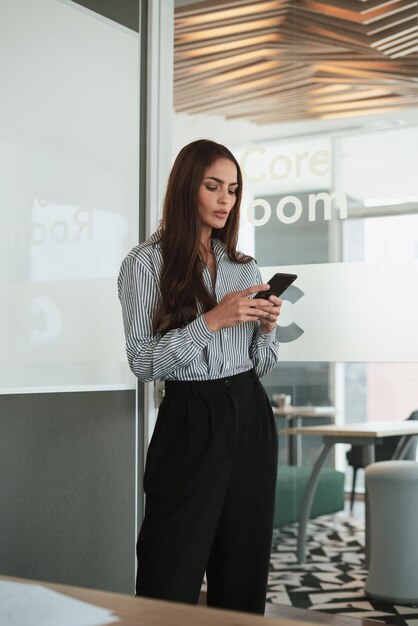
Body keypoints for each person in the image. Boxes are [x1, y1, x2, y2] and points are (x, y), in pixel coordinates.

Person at [117, 139, 282, 615]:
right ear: (187, 188)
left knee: (243, 569)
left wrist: (266, 331)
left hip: (249, 414)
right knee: (169, 569)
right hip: (189, 417)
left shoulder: (243, 267)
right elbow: (144, 363)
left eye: (232, 189)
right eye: (213, 186)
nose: (225, 199)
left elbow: (261, 367)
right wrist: (211, 320)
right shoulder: (144, 264)